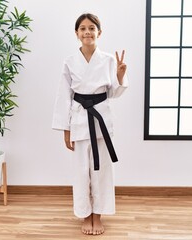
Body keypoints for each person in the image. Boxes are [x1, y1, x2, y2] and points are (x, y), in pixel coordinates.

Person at [52, 13, 128, 235]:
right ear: (77, 33)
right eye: (83, 28)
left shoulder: (109, 60)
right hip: (78, 120)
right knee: (81, 171)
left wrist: (121, 76)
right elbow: (63, 96)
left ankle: (98, 215)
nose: (87, 32)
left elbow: (113, 92)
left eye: (92, 28)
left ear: (99, 32)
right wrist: (65, 129)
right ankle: (85, 214)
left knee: (102, 171)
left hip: (101, 119)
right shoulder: (69, 61)